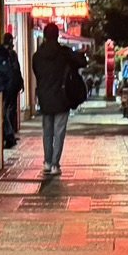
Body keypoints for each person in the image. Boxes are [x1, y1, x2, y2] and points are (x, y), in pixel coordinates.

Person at [30, 23, 78, 178]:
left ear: (44, 36)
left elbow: (37, 73)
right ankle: (55, 164)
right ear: (57, 35)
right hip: (62, 98)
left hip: (45, 97)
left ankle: (47, 162)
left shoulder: (37, 56)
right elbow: (81, 62)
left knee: (47, 132)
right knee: (59, 132)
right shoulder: (63, 53)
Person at [0, 37, 23, 148]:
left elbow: (5, 74)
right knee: (3, 114)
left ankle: (9, 136)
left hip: (3, 90)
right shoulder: (1, 56)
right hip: (4, 89)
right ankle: (8, 136)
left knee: (3, 113)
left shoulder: (0, 58)